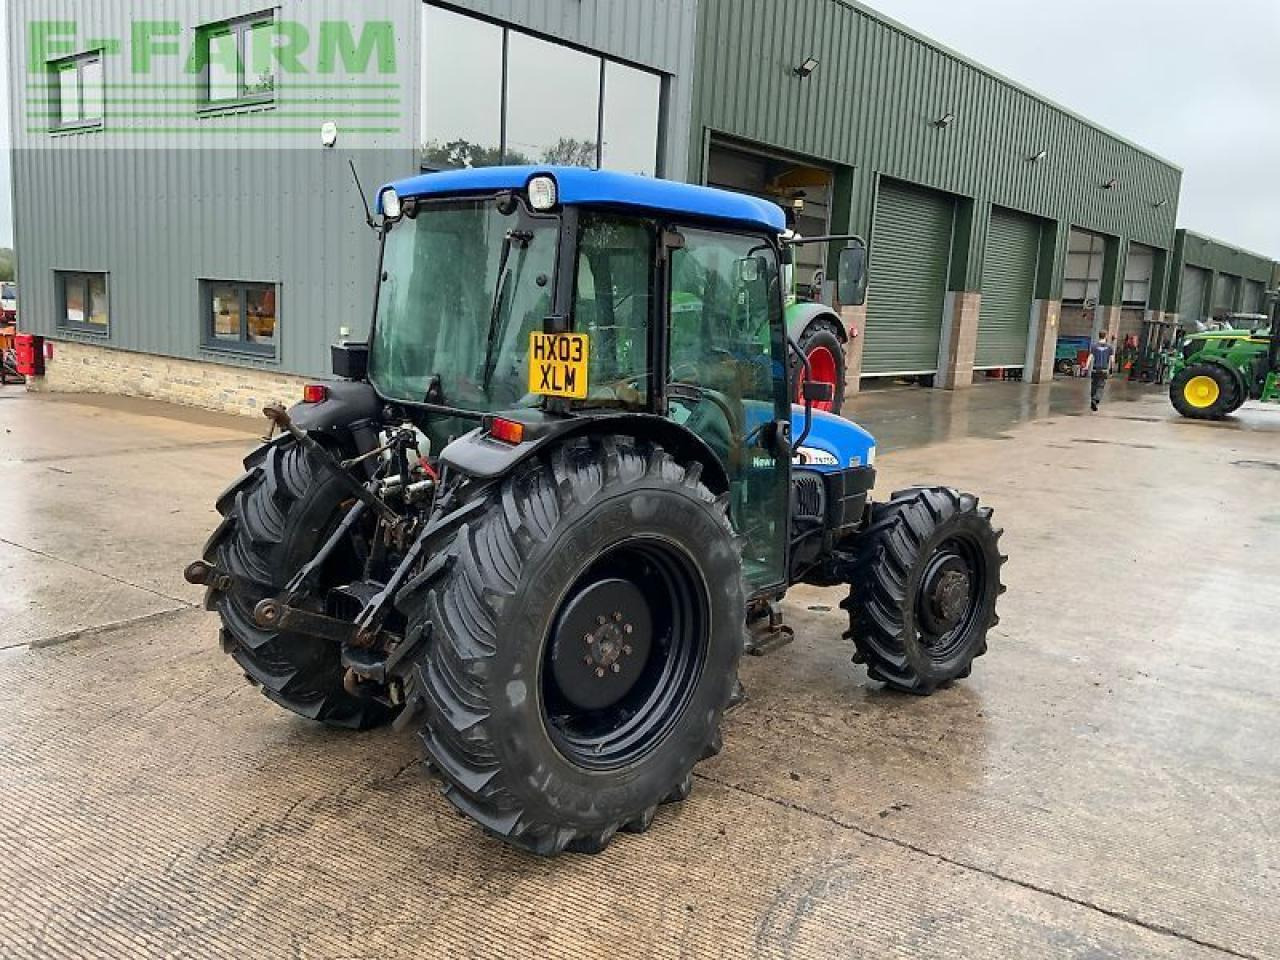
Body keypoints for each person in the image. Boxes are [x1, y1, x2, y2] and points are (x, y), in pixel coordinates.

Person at [1088, 331, 1115, 411]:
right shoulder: (1110, 347)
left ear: (1099, 336)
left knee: (1094, 386)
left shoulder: (1094, 346)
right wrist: (1111, 369)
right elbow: (1112, 360)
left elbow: (1090, 357)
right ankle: (1096, 399)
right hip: (1104, 370)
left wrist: (1086, 366)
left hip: (1095, 369)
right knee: (1100, 386)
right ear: (1105, 336)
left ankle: (1093, 400)